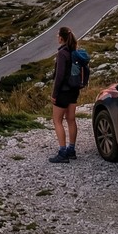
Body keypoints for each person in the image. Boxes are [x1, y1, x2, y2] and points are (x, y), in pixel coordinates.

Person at [50, 26, 80, 163]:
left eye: (58, 36)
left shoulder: (62, 53)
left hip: (63, 91)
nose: (57, 38)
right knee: (71, 119)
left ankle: (62, 153)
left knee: (57, 120)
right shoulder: (74, 51)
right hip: (74, 90)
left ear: (61, 38)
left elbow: (59, 76)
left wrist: (54, 93)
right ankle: (71, 150)